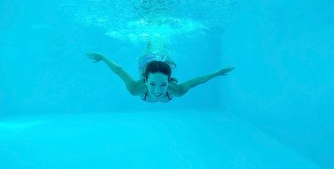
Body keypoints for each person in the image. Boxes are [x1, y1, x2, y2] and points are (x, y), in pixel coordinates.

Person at [86, 45, 234, 103]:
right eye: (152, 84)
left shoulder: (176, 90)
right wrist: (102, 56)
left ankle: (161, 47)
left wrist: (218, 73)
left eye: (163, 84)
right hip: (146, 63)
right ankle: (152, 42)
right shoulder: (135, 88)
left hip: (164, 68)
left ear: (169, 81)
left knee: (167, 59)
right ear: (145, 80)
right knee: (149, 49)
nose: (157, 91)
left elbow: (199, 80)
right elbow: (119, 70)